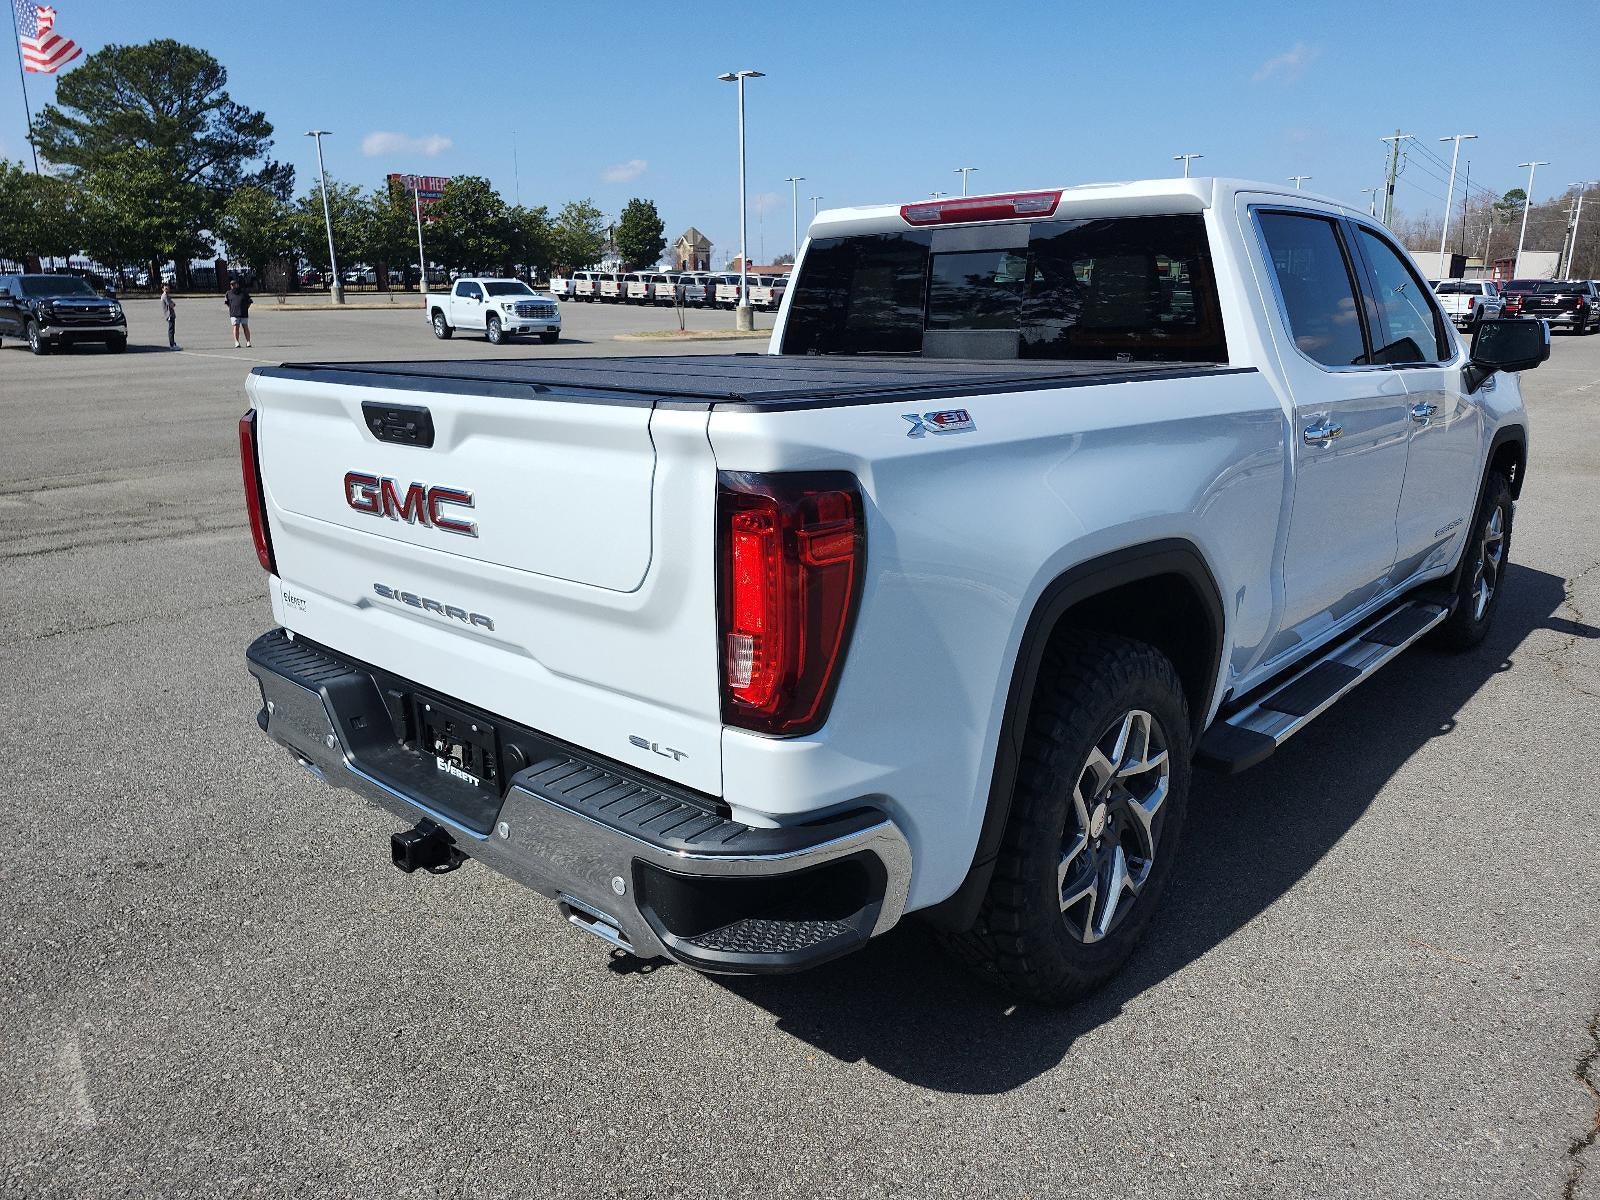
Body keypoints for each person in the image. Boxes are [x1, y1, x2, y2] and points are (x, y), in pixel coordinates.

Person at [225, 277, 253, 348]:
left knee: (245, 327)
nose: (232, 286)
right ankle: (236, 342)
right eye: (231, 284)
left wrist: (245, 308)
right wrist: (232, 309)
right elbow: (227, 303)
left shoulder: (244, 292)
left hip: (243, 313)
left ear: (237, 284)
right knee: (236, 327)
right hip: (234, 314)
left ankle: (248, 342)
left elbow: (249, 302)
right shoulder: (228, 293)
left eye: (234, 284)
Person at [160, 283, 179, 350]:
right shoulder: (165, 296)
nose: (167, 289)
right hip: (169, 315)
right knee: (171, 330)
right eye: (165, 288)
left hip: (171, 314)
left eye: (167, 288)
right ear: (163, 289)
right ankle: (172, 345)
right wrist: (173, 304)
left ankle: (173, 343)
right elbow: (170, 304)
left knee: (172, 330)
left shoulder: (167, 296)